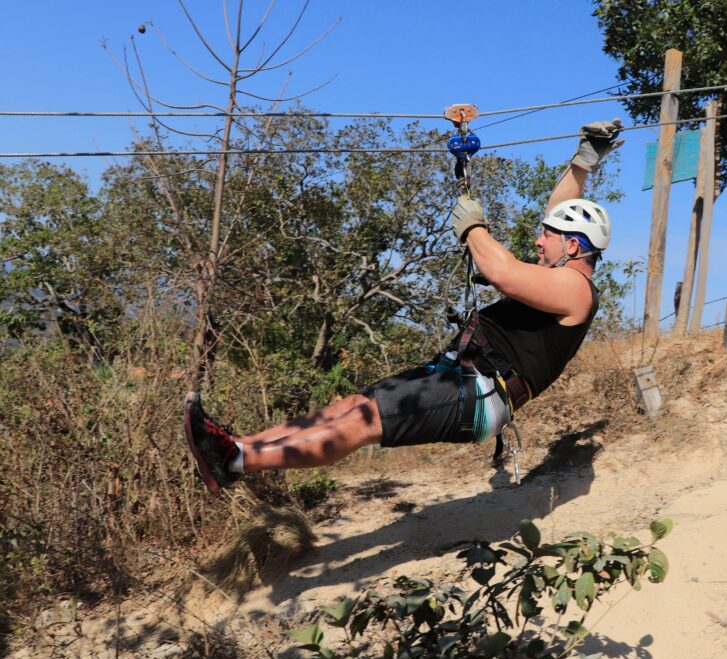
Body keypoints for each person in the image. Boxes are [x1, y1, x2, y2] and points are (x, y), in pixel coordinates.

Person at [185, 120, 623, 494]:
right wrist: (583, 160)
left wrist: (474, 227)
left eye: (546, 236)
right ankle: (234, 446)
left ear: (571, 245)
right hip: (460, 374)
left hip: (478, 395)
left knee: (360, 422)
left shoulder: (576, 290)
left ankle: (234, 462)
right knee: (345, 408)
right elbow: (559, 208)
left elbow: (501, 271)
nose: (536, 239)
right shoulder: (561, 276)